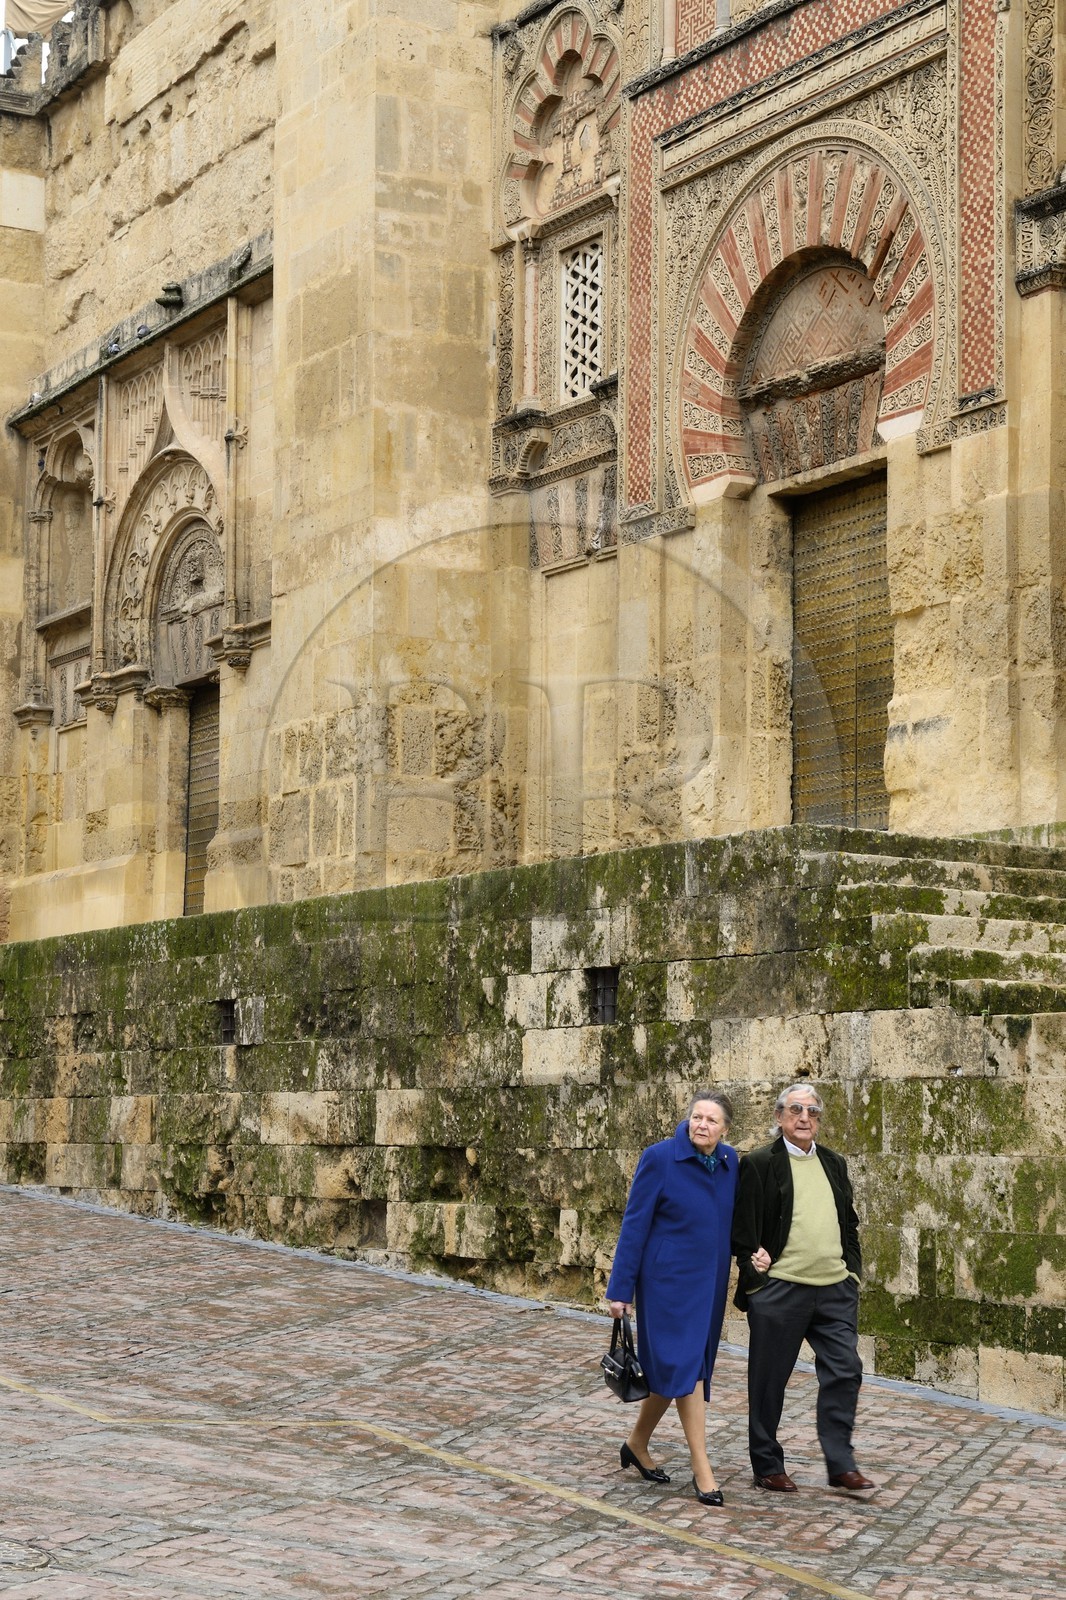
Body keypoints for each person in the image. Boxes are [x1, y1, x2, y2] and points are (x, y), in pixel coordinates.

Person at [605, 1090, 768, 1506]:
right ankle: (702, 1467)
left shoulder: (730, 1163)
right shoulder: (659, 1158)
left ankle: (636, 1443)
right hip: (666, 1286)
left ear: (726, 1129)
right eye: (697, 1117)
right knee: (689, 1369)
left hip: (709, 1284)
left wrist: (757, 1253)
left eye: (712, 1120)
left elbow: (738, 1222)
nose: (702, 1125)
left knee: (677, 1368)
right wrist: (620, 1290)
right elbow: (634, 1227)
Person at [731, 1082, 875, 1496]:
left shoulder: (834, 1162)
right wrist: (756, 1278)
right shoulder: (760, 1163)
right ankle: (767, 1464)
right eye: (795, 1110)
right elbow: (743, 1230)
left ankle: (841, 1464)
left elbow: (849, 1223)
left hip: (834, 1290)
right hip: (781, 1292)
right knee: (768, 1380)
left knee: (846, 1370)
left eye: (812, 1112)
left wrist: (853, 1274)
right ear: (779, 1117)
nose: (804, 1118)